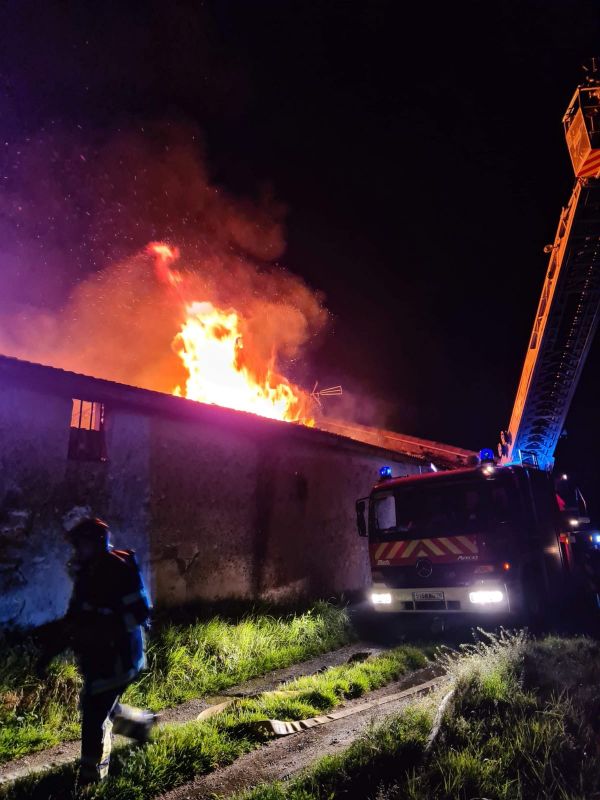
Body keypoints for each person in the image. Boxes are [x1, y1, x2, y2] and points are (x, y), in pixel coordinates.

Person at [37, 516, 157, 784]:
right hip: (99, 658)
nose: (77, 551)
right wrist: (48, 655)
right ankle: (142, 726)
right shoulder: (87, 573)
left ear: (97, 543)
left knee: (94, 714)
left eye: (81, 545)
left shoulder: (119, 569)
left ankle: (93, 778)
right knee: (99, 705)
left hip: (120, 658)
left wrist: (102, 630)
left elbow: (139, 613)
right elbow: (74, 618)